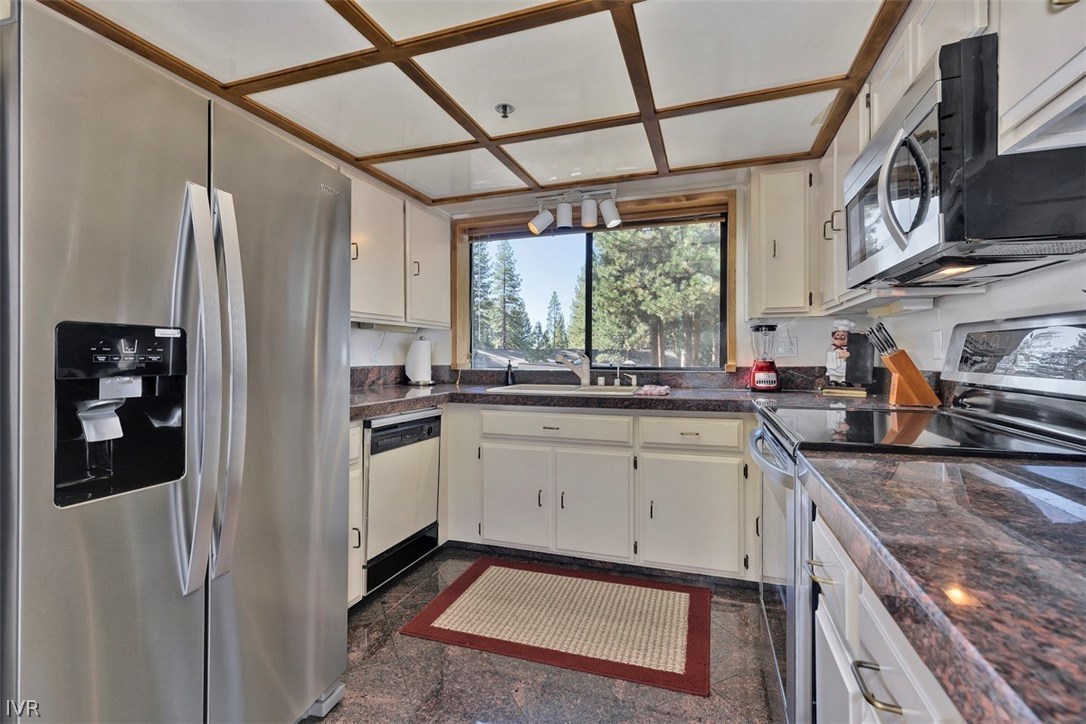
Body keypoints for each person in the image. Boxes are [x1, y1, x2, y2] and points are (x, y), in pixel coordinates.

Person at [826, 319, 856, 385]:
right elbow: (829, 354)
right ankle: (833, 380)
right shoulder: (831, 347)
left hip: (844, 368)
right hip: (834, 368)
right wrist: (838, 355)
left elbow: (853, 354)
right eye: (837, 335)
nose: (839, 337)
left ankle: (844, 380)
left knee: (845, 375)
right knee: (833, 375)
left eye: (842, 336)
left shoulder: (850, 347)